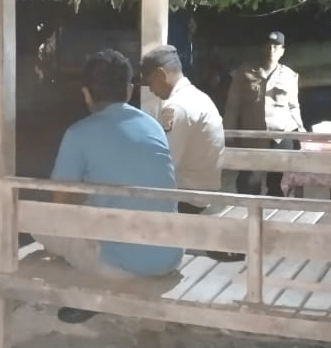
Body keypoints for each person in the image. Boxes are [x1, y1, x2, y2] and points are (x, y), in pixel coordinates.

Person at [38, 49, 184, 324]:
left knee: (39, 223)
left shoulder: (78, 133)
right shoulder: (153, 126)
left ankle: (89, 281)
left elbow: (59, 205)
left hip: (122, 266)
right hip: (169, 256)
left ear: (86, 93)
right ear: (129, 90)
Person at [139, 45, 227, 207]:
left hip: (186, 201)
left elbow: (165, 163)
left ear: (161, 74)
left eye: (150, 82)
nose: (150, 89)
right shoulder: (199, 97)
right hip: (204, 196)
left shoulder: (177, 107)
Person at [224, 31, 303, 197]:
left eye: (276, 47)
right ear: (263, 48)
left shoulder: (290, 75)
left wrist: (300, 132)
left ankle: (275, 211)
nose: (272, 50)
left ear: (282, 51)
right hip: (254, 136)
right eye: (269, 46)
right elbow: (233, 105)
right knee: (249, 183)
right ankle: (250, 212)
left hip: (281, 136)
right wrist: (228, 134)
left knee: (279, 185)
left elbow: (294, 106)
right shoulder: (245, 73)